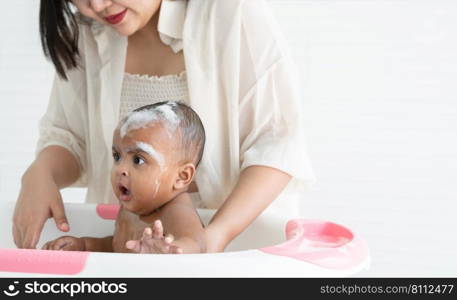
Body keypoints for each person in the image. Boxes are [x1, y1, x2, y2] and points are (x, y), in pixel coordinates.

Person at [13, 0, 316, 252]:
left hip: (239, 246)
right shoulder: (86, 33)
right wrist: (41, 173)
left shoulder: (230, 12)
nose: (98, 5)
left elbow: (276, 145)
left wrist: (214, 237)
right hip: (131, 261)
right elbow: (70, 138)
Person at [42, 101, 206, 253]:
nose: (120, 168)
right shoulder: (132, 208)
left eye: (138, 160)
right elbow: (118, 247)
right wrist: (84, 245)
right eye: (117, 156)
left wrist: (168, 250)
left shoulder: (176, 210)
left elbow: (197, 245)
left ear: (181, 177)